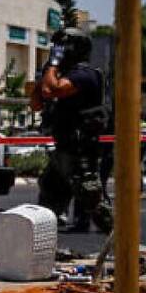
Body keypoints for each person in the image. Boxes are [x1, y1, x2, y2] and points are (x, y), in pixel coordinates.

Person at [31, 28, 112, 232]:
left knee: (95, 205)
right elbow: (36, 104)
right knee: (47, 200)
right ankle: (42, 251)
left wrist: (54, 65)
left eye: (61, 47)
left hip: (80, 152)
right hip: (62, 149)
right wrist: (45, 73)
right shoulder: (59, 74)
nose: (57, 51)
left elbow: (53, 89)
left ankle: (126, 249)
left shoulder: (86, 75)